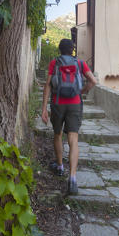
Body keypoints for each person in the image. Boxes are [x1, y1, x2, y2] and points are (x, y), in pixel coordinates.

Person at [41, 38, 97, 194]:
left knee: (58, 135)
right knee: (73, 139)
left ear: (59, 49)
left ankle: (59, 166)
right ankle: (72, 178)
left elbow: (47, 85)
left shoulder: (55, 63)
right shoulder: (80, 63)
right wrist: (81, 92)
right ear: (73, 50)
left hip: (58, 103)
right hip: (75, 104)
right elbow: (93, 81)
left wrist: (44, 108)